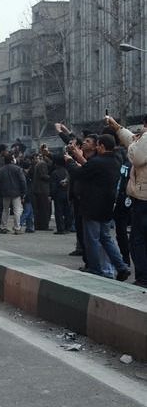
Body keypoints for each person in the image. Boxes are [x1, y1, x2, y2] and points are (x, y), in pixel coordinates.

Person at [65, 134, 130, 280]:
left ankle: (95, 268)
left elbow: (79, 172)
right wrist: (79, 156)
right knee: (105, 238)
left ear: (100, 146)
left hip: (92, 206)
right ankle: (122, 266)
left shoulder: (97, 162)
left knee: (92, 239)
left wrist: (69, 161)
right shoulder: (116, 159)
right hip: (107, 206)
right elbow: (89, 168)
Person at [107, 115, 147, 287]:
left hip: (144, 198)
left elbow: (137, 156)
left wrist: (136, 140)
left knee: (138, 239)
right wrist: (117, 127)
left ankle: (143, 277)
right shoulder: (142, 140)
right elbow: (134, 142)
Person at [0, 153, 26, 234]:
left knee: (5, 210)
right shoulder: (18, 169)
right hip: (16, 192)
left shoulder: (1, 170)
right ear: (12, 160)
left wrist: (1, 191)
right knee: (17, 210)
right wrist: (23, 192)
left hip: (5, 193)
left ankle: (3, 227)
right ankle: (17, 228)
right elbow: (23, 181)